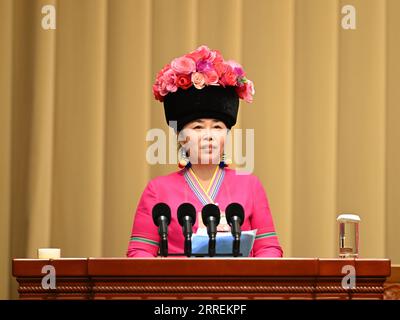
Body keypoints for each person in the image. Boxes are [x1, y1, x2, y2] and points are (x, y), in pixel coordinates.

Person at [127, 45, 283, 258]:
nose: (208, 136)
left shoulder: (250, 185)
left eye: (217, 127)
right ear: (181, 136)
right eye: (198, 127)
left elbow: (269, 249)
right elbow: (139, 253)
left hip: (238, 289)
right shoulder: (158, 190)